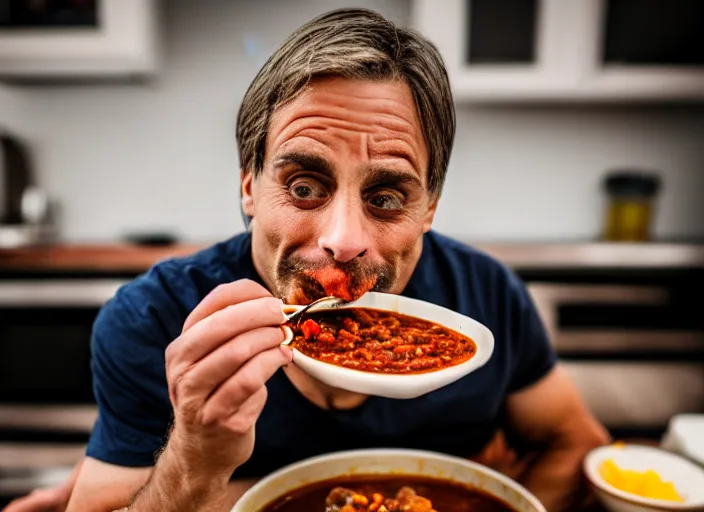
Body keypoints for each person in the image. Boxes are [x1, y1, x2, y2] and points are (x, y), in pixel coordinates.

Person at [5, 8, 609, 512]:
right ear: (249, 187)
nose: (343, 240)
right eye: (303, 186)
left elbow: (575, 444)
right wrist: (194, 456)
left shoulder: (487, 295)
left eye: (387, 197)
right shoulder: (154, 320)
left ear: (430, 207)